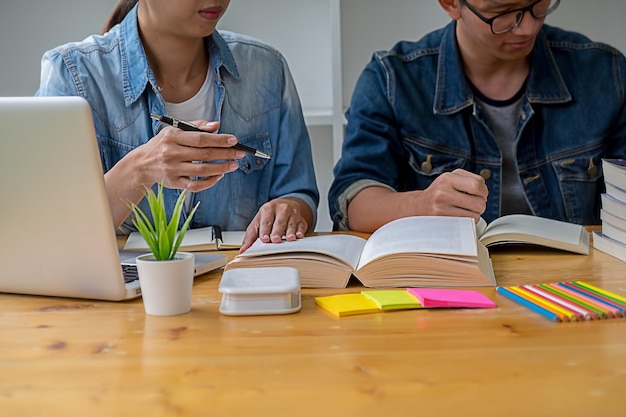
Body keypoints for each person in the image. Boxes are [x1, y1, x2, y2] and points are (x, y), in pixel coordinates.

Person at [36, 0, 319, 252]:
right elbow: (48, 231)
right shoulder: (72, 76)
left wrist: (291, 209)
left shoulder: (267, 68)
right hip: (122, 300)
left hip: (236, 288)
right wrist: (141, 170)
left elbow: (299, 193)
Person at [329, 0, 626, 232]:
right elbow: (353, 199)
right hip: (447, 284)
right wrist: (421, 203)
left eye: (537, 5)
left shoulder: (605, 73)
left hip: (575, 285)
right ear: (450, 4)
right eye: (502, 13)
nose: (528, 28)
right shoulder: (392, 80)